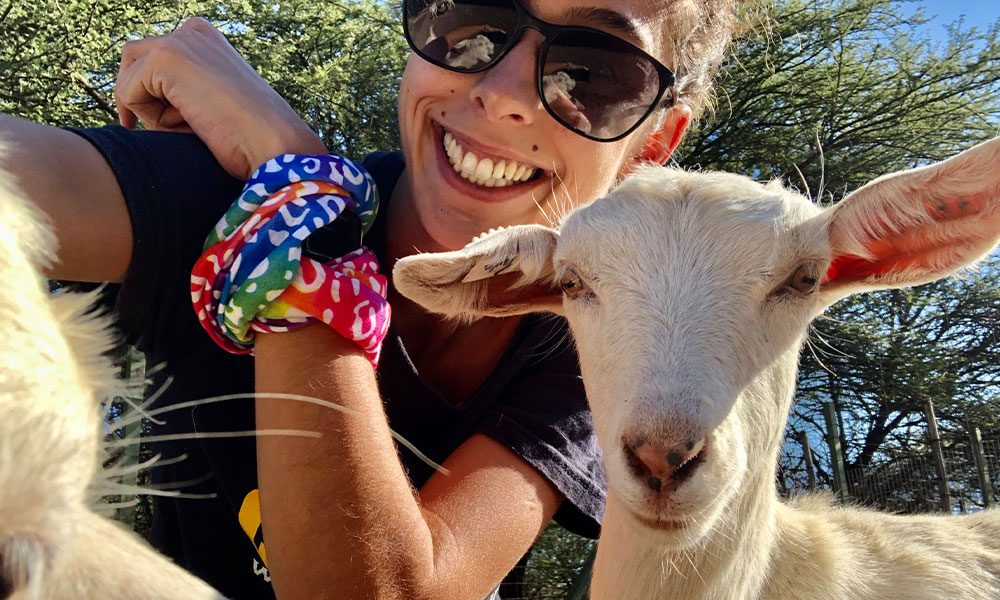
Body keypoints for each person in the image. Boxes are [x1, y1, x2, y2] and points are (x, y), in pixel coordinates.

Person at [0, 0, 740, 598]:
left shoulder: (593, 342)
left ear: (653, 143)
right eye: (472, 22)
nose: (502, 94)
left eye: (596, 73)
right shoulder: (226, 198)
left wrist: (302, 199)